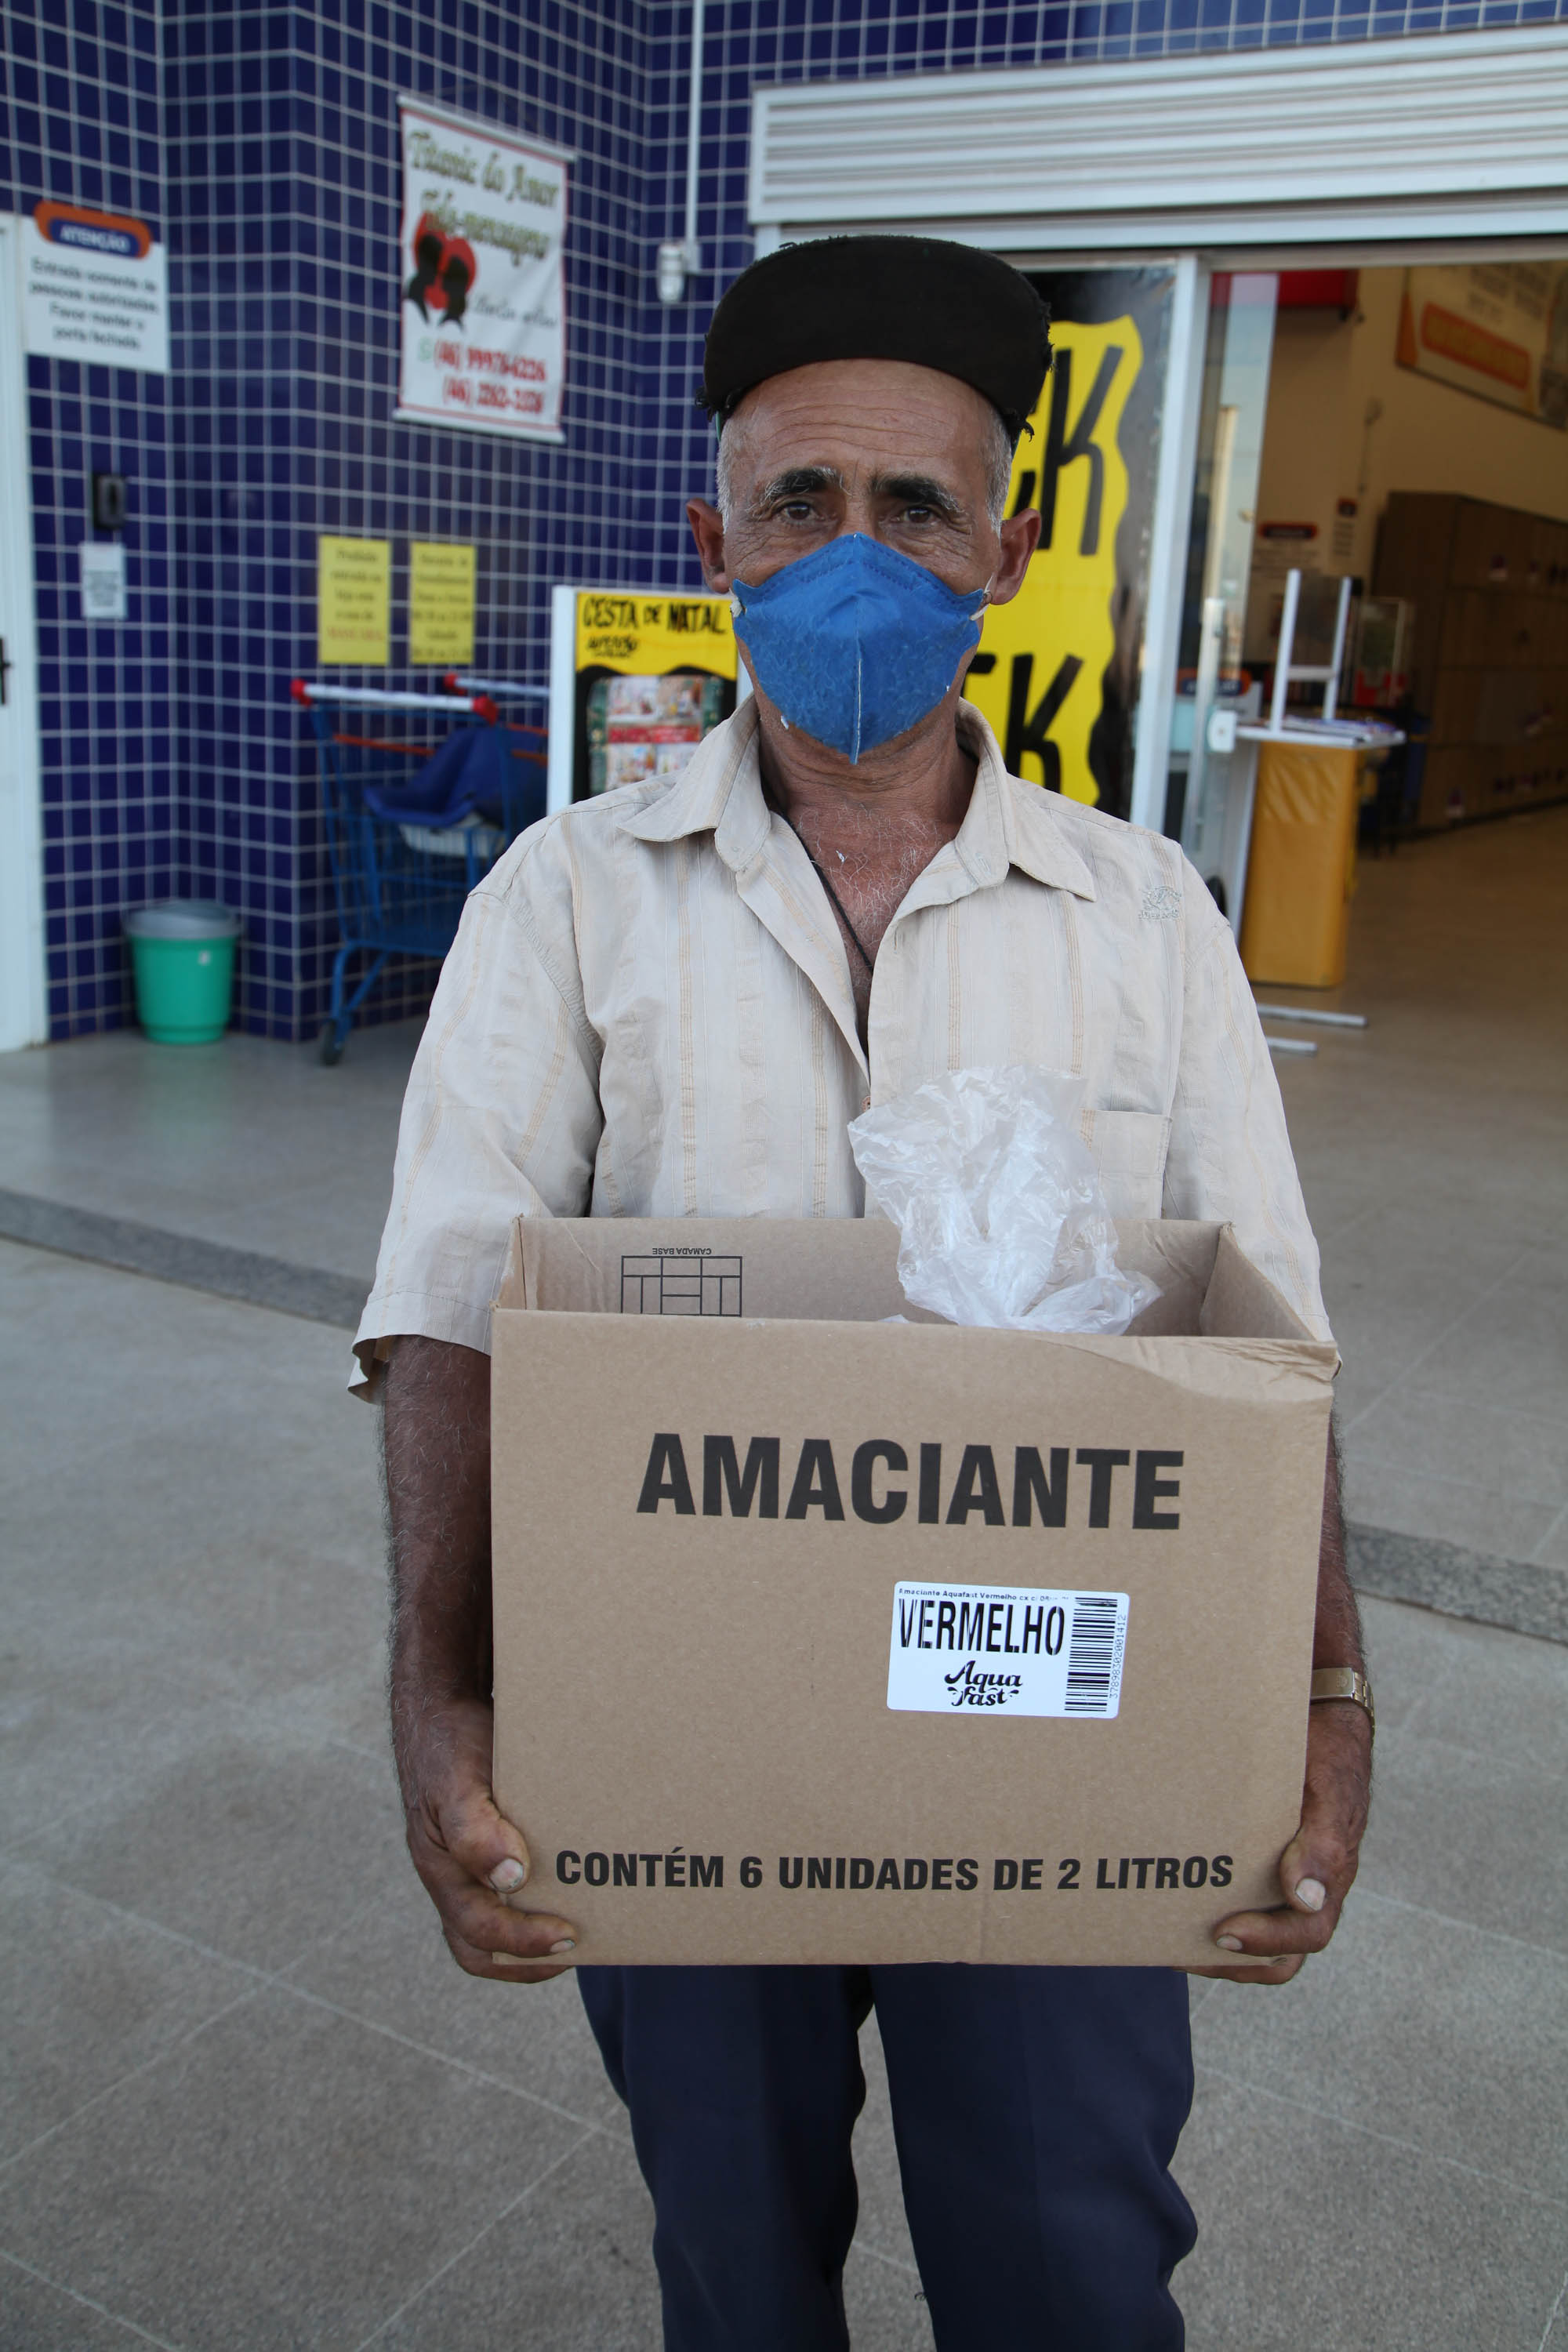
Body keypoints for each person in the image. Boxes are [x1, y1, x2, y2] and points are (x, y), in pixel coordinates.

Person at [355, 235, 1373, 2351]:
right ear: (707, 532)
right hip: (670, 1721)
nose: (856, 556)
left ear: (1006, 550)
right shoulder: (567, 899)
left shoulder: (1147, 911)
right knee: (734, 2260)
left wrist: (1328, 1697)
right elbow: (451, 1310)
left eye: (916, 508)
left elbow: (1267, 1335)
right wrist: (440, 1698)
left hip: (1054, 1718)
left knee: (1072, 2266)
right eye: (800, 501)